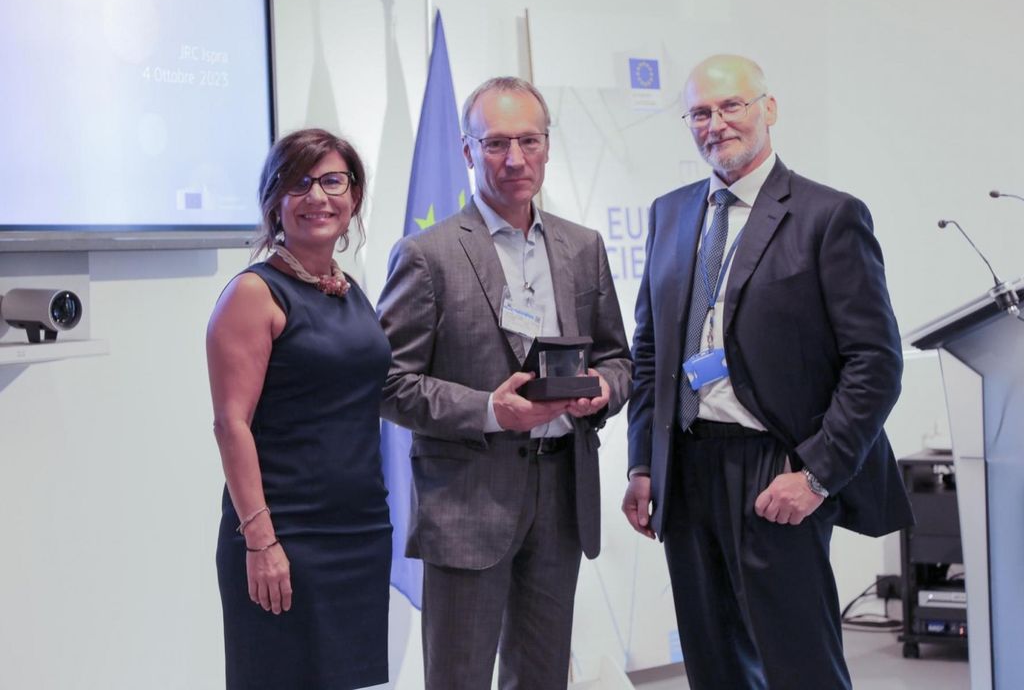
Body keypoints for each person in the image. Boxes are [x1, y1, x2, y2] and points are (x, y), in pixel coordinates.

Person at [621, 55, 914, 689]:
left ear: (769, 109)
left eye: (732, 105)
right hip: (686, 468)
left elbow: (876, 362)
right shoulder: (670, 213)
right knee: (714, 665)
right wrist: (642, 463)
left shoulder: (828, 216)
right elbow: (650, 352)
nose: (716, 123)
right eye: (700, 112)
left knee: (799, 666)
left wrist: (815, 475)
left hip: (776, 466)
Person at [377, 76, 632, 690]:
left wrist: (603, 390)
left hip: (562, 492)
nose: (515, 158)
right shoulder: (427, 254)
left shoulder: (583, 246)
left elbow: (618, 360)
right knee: (459, 678)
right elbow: (388, 383)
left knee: (542, 677)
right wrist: (490, 410)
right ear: (468, 151)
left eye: (528, 141)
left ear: (547, 146)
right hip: (468, 500)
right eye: (495, 143)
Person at [207, 128, 391, 690]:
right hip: (284, 535)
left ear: (354, 195)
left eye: (333, 181)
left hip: (358, 531)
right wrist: (261, 541)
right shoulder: (253, 294)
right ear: (275, 201)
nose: (318, 197)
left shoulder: (348, 288)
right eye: (299, 182)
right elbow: (231, 424)